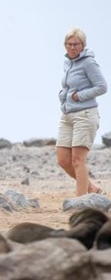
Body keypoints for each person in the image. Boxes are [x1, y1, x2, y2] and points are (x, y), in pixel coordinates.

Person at [56, 27, 107, 197]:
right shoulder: (68, 62)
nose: (72, 47)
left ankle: (81, 201)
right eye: (69, 44)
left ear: (83, 45)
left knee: (78, 160)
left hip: (85, 115)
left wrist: (79, 96)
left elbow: (102, 87)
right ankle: (92, 189)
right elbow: (69, 86)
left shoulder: (88, 62)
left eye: (76, 44)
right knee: (63, 160)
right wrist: (64, 96)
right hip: (67, 115)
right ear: (65, 45)